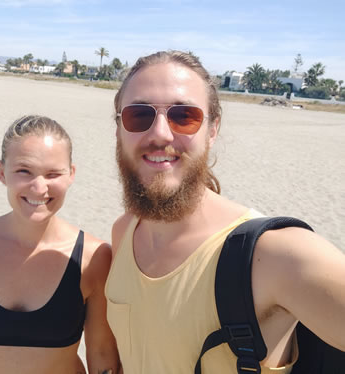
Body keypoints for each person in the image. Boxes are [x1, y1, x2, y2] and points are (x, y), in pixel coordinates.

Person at [105, 51, 345, 373]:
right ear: (119, 129)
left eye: (184, 115)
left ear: (213, 130)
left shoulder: (275, 255)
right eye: (139, 115)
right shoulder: (123, 233)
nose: (160, 133)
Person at [0, 115, 119, 374]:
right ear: (1, 172)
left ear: (71, 175)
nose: (39, 188)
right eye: (24, 171)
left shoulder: (93, 256)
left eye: (53, 174)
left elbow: (101, 352)